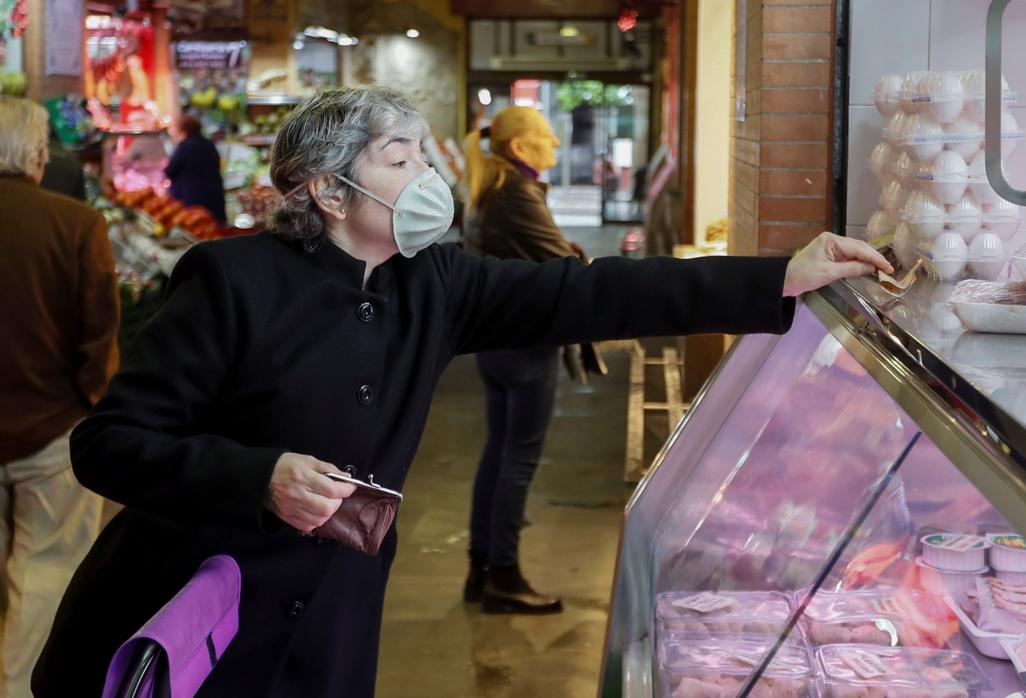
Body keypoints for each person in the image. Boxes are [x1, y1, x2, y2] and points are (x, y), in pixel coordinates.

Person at [32, 87, 890, 697]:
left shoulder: (432, 279)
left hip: (333, 613)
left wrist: (778, 274)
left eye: (425, 155)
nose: (428, 179)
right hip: (198, 607)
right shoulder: (230, 281)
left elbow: (589, 293)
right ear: (329, 191)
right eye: (398, 159)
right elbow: (108, 444)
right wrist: (259, 478)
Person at [0, 97, 118, 698]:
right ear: (38, 156)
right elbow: (99, 332)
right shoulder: (76, 225)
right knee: (46, 571)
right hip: (53, 429)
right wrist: (95, 406)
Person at [460, 106, 586, 614]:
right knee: (519, 459)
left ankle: (481, 567)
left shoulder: (498, 189)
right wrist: (579, 257)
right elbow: (566, 265)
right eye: (545, 135)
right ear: (519, 148)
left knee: (499, 453)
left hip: (497, 341)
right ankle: (505, 576)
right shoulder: (516, 192)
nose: (555, 142)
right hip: (525, 343)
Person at [165, 114, 227, 224]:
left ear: (183, 130)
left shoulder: (185, 146)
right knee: (213, 229)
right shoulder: (209, 144)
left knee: (197, 228)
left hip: (192, 198)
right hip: (213, 195)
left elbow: (170, 170)